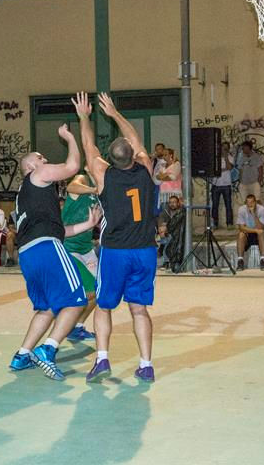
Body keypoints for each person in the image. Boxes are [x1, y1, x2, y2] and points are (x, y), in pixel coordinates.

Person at [73, 92, 158, 384]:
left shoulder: (104, 174)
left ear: (109, 159)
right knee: (139, 310)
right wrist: (115, 113)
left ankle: (102, 359)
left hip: (116, 251)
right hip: (145, 250)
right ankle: (146, 365)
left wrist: (84, 117)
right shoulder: (146, 168)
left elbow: (88, 146)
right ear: (133, 154)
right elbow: (135, 139)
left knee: (104, 306)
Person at [9, 124, 99, 381]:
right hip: (47, 248)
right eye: (40, 157)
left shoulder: (27, 195)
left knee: (47, 308)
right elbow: (72, 167)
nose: (45, 159)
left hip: (28, 254)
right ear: (31, 166)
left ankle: (22, 354)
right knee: (77, 300)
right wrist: (69, 137)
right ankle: (47, 349)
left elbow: (59, 230)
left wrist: (88, 224)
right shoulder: (37, 174)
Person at [61, 174, 99, 340]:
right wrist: (94, 189)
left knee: (100, 290)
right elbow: (71, 187)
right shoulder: (82, 180)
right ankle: (65, 326)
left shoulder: (104, 189)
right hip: (69, 248)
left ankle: (76, 327)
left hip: (87, 249)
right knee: (90, 290)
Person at [236, 194, 264, 271]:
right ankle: (240, 261)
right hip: (248, 233)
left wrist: (254, 214)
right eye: (248, 202)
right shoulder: (241, 209)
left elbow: (260, 227)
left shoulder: (261, 209)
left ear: (255, 202)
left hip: (259, 233)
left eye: (252, 202)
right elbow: (241, 227)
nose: (249, 205)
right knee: (241, 234)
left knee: (261, 232)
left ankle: (263, 260)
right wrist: (255, 230)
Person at [209, 141, 235, 228]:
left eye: (226, 148)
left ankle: (229, 223)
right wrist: (222, 169)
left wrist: (226, 157)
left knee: (228, 205)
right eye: (223, 148)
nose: (224, 149)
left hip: (226, 184)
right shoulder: (215, 158)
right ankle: (215, 223)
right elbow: (213, 170)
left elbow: (229, 167)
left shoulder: (230, 157)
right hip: (216, 184)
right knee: (215, 205)